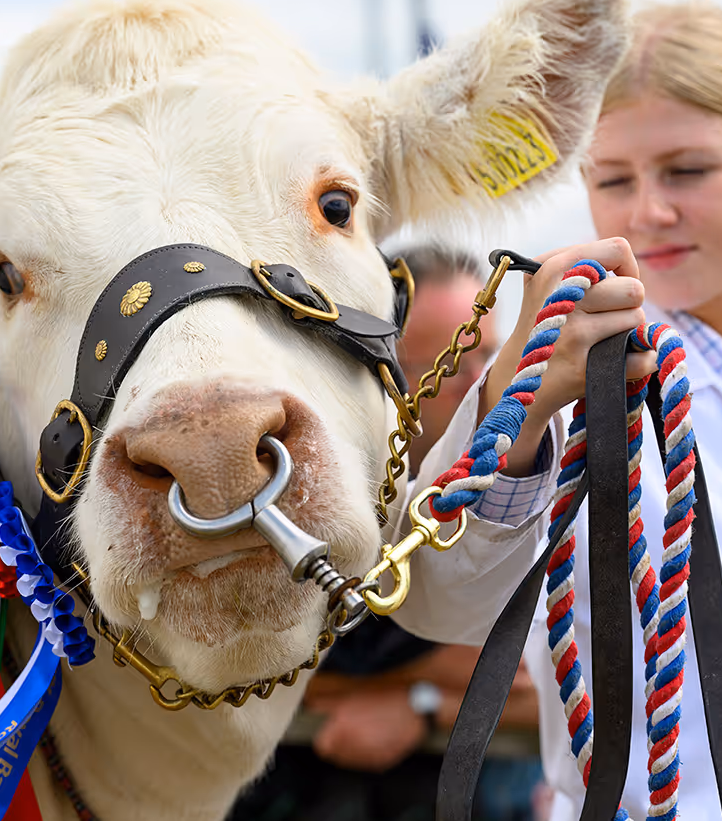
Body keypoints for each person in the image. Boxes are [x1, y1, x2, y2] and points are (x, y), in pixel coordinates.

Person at [396, 0, 722, 820]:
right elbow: (439, 597)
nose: (648, 212)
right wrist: (524, 395)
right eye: (614, 179)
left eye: (687, 170)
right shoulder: (593, 392)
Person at [229, 248, 547, 821]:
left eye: (491, 355)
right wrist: (438, 671)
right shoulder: (301, 491)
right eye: (455, 360)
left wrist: (416, 703)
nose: (483, 384)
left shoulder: (519, 487)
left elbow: (538, 687)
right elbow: (250, 675)